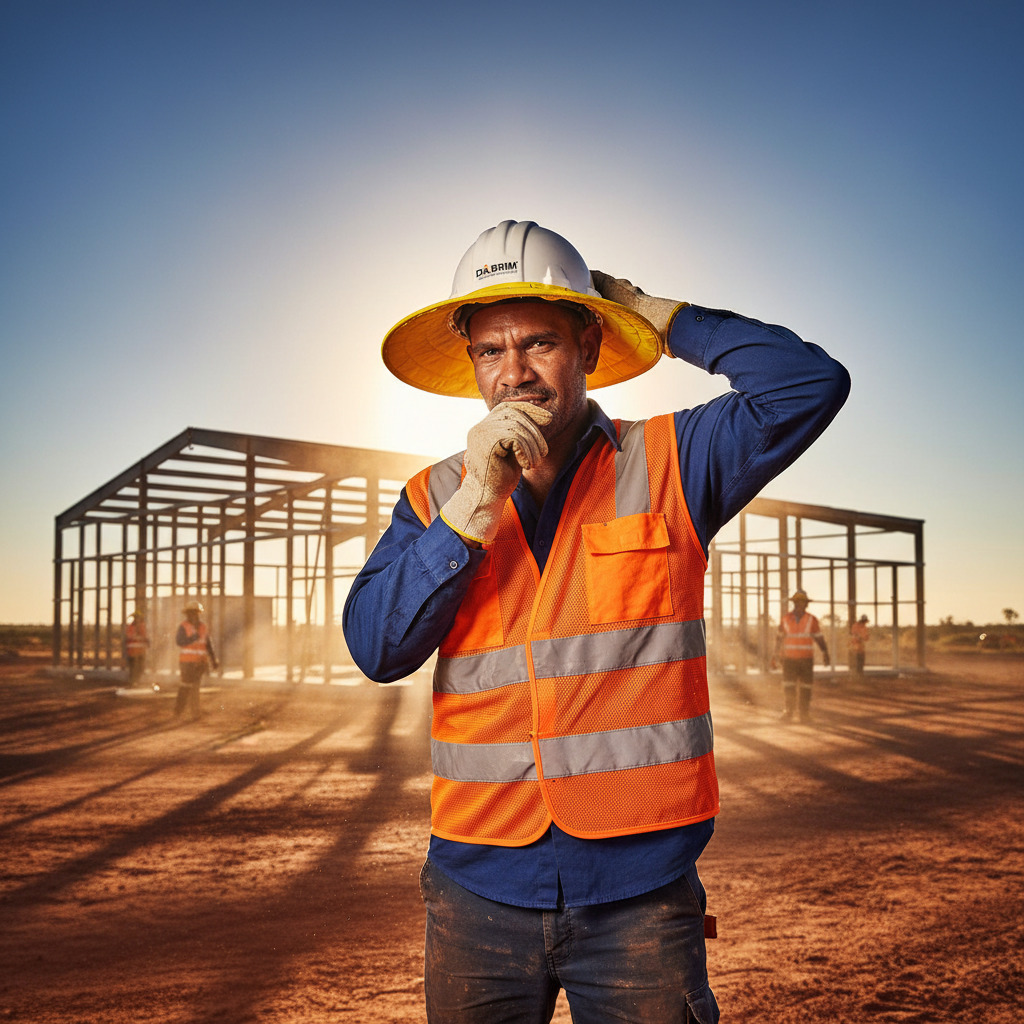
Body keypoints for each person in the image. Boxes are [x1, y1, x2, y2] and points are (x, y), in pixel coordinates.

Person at [343, 220, 850, 1023]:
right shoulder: (434, 496)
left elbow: (806, 384)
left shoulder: (676, 461)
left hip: (639, 896)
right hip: (477, 888)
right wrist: (474, 506)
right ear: (472, 362)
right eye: (490, 351)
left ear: (588, 342)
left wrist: (660, 313)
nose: (515, 374)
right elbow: (375, 647)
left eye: (539, 343)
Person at [775, 590, 831, 722]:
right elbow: (779, 638)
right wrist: (777, 653)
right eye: (801, 602)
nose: (803, 605)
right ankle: (789, 712)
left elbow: (819, 638)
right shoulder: (785, 619)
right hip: (789, 659)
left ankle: (804, 714)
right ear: (795, 603)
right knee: (789, 686)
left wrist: (825, 652)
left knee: (806, 687)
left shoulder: (812, 620)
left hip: (806, 659)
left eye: (805, 603)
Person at [175, 599, 218, 719]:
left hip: (199, 663)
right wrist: (193, 637)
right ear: (187, 614)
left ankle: (195, 711)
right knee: (185, 686)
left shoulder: (203, 627)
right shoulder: (183, 627)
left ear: (198, 613)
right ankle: (179, 711)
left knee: (195, 686)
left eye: (195, 612)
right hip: (187, 662)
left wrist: (213, 660)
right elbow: (179, 641)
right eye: (191, 612)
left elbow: (208, 644)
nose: (193, 615)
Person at [123, 609, 149, 687]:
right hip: (134, 652)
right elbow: (130, 637)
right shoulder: (133, 627)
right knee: (134, 668)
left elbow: (144, 637)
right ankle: (133, 682)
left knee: (138, 668)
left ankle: (136, 682)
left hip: (138, 652)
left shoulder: (138, 626)